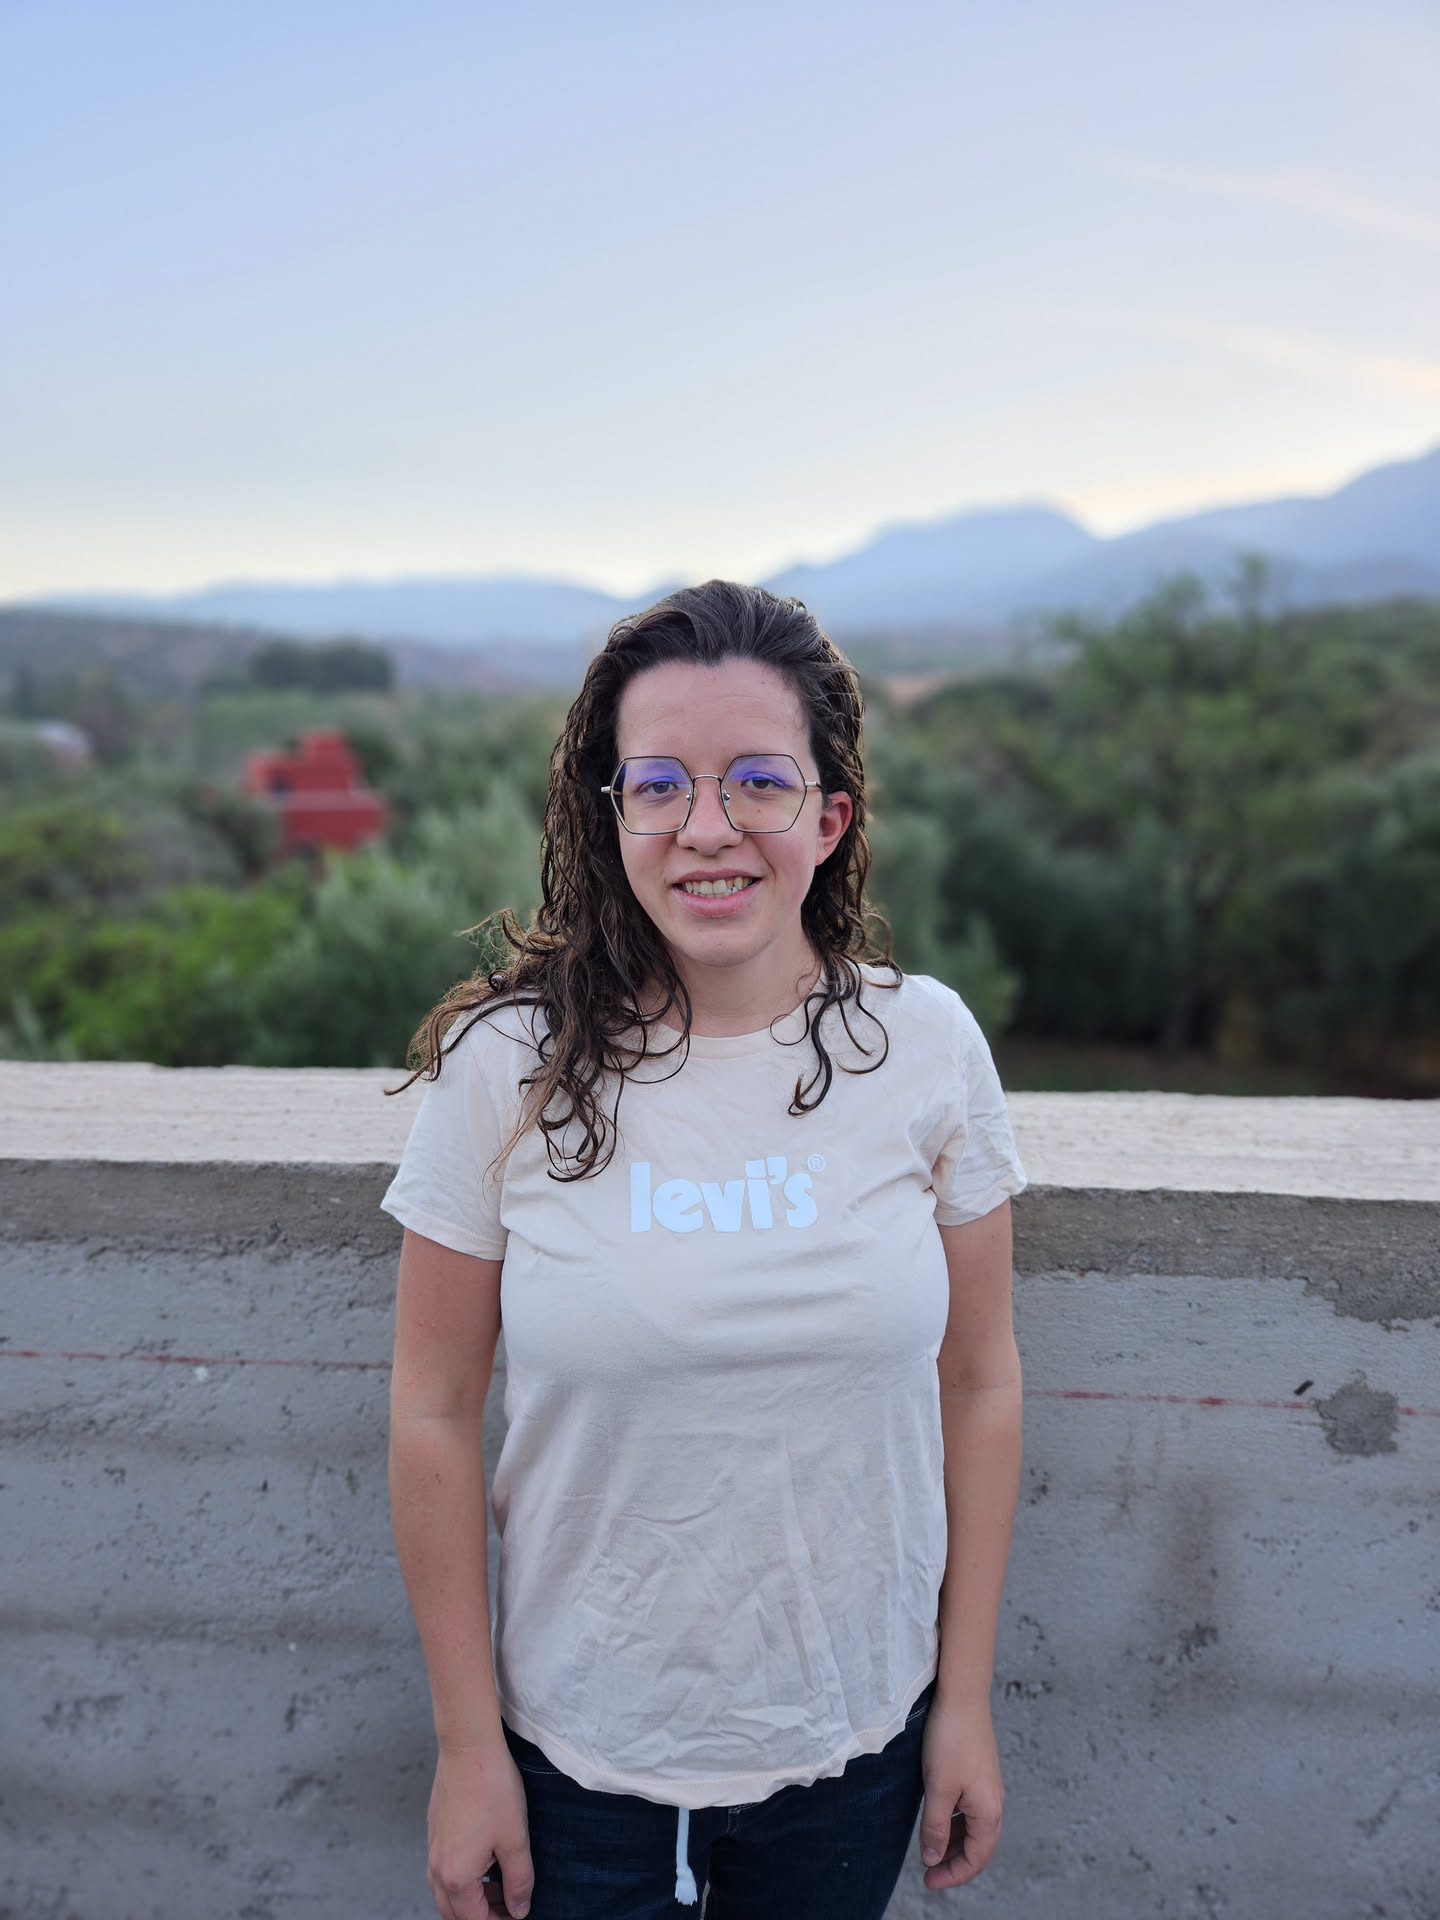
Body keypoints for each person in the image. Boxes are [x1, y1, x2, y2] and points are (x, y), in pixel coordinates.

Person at [382, 581, 1026, 1920]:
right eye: (660, 784)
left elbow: (981, 1382)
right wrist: (465, 1748)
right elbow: (432, 1410)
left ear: (829, 818)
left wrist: (963, 1701)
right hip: (577, 1764)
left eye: (759, 782)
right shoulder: (509, 1068)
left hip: (857, 1746)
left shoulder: (928, 1049)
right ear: (611, 812)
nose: (707, 828)